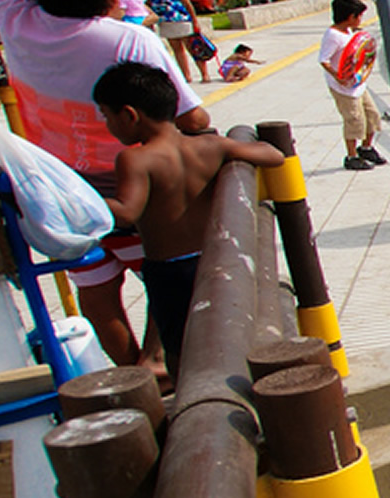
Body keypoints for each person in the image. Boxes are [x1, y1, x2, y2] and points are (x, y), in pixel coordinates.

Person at [0, 0, 209, 378]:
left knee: (96, 290)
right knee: (166, 273)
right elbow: (192, 117)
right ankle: (154, 360)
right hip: (137, 195)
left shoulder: (15, 22)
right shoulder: (131, 42)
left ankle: (134, 375)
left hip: (63, 196)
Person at [94, 63, 283, 379]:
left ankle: (191, 401)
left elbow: (128, 211)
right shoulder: (210, 146)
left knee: (181, 348)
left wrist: (80, 200)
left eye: (106, 116)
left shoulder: (135, 159)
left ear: (129, 114)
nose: (108, 125)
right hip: (214, 260)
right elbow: (273, 155)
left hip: (169, 271)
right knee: (227, 332)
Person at [321, 0, 386, 171]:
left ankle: (366, 148)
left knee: (372, 115)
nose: (361, 20)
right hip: (344, 88)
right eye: (359, 16)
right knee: (354, 120)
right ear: (351, 17)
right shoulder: (333, 36)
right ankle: (351, 156)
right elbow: (324, 60)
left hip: (358, 84)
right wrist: (338, 77)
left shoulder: (349, 31)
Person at [143, 0, 205, 84]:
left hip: (182, 19)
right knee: (177, 50)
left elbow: (187, 3)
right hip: (166, 22)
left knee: (193, 49)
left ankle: (204, 74)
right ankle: (186, 76)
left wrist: (195, 21)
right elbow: (148, 6)